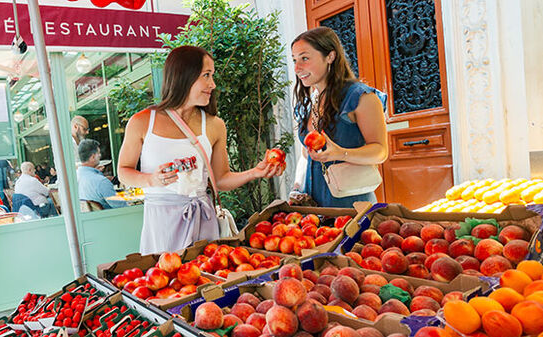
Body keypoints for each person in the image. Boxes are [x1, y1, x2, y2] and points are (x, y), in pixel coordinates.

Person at [118, 45, 283, 254]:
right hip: (161, 223)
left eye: (212, 75)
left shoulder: (215, 125)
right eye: (206, 75)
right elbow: (123, 171)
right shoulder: (142, 122)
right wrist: (151, 180)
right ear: (184, 76)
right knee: (165, 281)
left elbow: (220, 180)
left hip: (204, 219)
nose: (212, 84)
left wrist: (254, 173)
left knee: (207, 280)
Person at [291, 27, 388, 208]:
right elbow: (306, 154)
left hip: (353, 209)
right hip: (314, 210)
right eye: (294, 60)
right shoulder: (307, 104)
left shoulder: (361, 97)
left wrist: (340, 153)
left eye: (305, 58)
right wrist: (297, 186)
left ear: (330, 56)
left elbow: (380, 152)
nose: (297, 68)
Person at [77, 139, 126, 210]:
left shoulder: (76, 177)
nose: (100, 155)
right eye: (99, 153)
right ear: (93, 157)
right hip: (112, 218)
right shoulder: (101, 182)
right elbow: (123, 207)